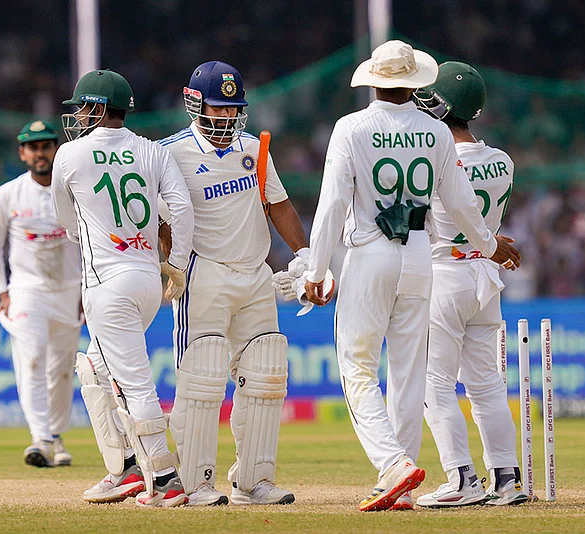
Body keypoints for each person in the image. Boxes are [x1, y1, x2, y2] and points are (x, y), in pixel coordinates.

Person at [303, 41, 521, 512]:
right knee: (407, 373)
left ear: (373, 79)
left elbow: (332, 204)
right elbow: (462, 205)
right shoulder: (436, 133)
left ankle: (392, 465)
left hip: (370, 251)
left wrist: (316, 271)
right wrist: (488, 247)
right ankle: (401, 480)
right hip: (420, 253)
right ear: (415, 82)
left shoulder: (351, 127)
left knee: (357, 365)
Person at [158, 60, 308, 507]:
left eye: (232, 109)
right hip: (202, 274)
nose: (225, 117)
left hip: (256, 272)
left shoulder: (253, 148)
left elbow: (278, 206)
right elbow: (159, 218)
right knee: (201, 378)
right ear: (194, 103)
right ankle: (195, 482)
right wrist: (168, 263)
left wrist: (303, 257)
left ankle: (253, 481)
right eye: (217, 108)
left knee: (265, 376)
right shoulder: (170, 152)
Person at [52, 69, 194, 508]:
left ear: (96, 108)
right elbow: (182, 209)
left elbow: (65, 219)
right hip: (148, 281)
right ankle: (128, 469)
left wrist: (99, 238)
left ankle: (167, 479)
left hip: (107, 285)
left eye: (81, 108)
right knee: (94, 369)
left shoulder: (70, 155)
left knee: (134, 384)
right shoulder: (152, 151)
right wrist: (174, 264)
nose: (76, 116)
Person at [411, 61, 529, 507]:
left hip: (444, 273)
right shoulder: (503, 161)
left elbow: (420, 221)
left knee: (435, 384)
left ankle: (462, 480)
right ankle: (507, 479)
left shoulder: (435, 159)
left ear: (442, 107)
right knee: (486, 384)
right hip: (485, 275)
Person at [0, 120, 83, 467]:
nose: (40, 153)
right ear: (23, 152)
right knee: (32, 359)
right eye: (33, 147)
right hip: (27, 291)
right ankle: (39, 437)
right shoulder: (8, 194)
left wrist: (87, 287)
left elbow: (88, 241)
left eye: (46, 146)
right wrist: (3, 291)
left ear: (56, 149)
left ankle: (55, 434)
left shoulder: (71, 189)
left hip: (70, 289)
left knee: (62, 369)